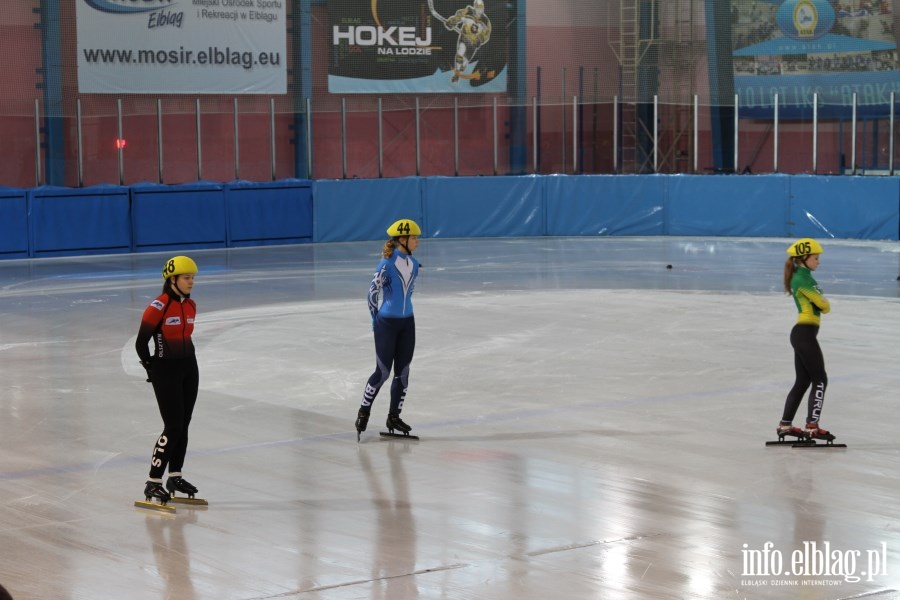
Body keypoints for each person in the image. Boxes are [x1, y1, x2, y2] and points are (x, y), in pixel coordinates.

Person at [136, 255, 202, 505]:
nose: (191, 282)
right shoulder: (158, 306)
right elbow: (141, 343)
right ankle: (153, 482)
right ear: (172, 279)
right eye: (187, 278)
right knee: (172, 426)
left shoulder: (191, 305)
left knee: (184, 425)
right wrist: (152, 370)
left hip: (189, 368)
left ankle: (175, 476)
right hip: (166, 371)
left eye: (193, 278)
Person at [355, 219, 422, 440]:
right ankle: (364, 411)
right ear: (402, 240)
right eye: (413, 238)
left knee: (403, 372)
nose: (417, 241)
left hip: (407, 323)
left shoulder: (414, 264)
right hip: (387, 324)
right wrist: (376, 319)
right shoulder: (386, 264)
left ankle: (394, 416)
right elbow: (372, 293)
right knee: (382, 372)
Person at [778, 238, 834, 441]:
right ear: (804, 258)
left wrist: (822, 304)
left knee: (803, 381)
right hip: (805, 333)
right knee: (820, 379)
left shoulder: (802, 277)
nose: (818, 261)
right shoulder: (803, 280)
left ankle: (785, 425)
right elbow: (824, 305)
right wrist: (823, 303)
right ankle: (812, 426)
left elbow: (821, 304)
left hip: (802, 334)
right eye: (816, 258)